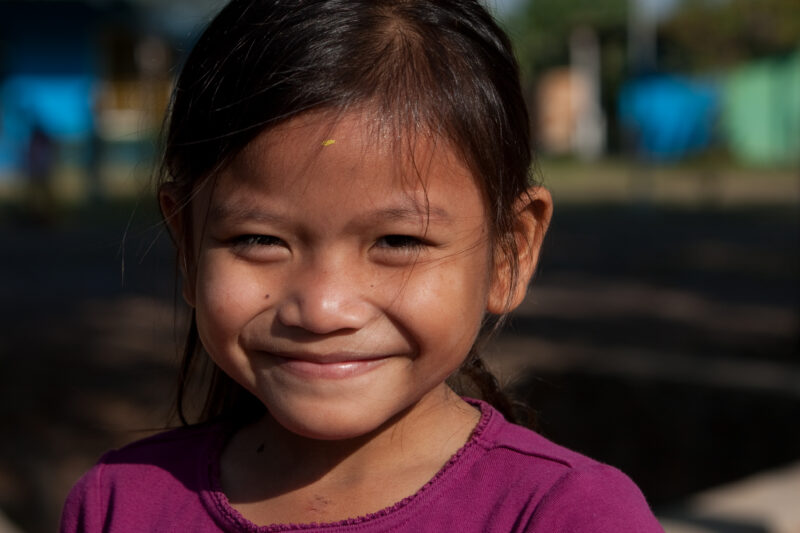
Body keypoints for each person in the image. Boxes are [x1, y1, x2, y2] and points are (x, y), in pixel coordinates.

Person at [60, 1, 664, 531]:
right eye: (258, 239)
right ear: (187, 245)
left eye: (398, 242)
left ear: (510, 251)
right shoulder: (119, 504)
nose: (322, 308)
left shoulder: (566, 516)